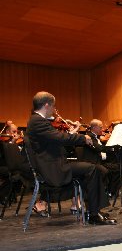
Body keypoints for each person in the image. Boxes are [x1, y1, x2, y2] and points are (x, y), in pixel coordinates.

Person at [26, 91, 116, 225]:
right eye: (53, 106)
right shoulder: (38, 121)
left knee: (90, 170)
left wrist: (72, 135)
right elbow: (59, 137)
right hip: (53, 168)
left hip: (54, 164)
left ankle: (93, 211)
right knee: (92, 169)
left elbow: (55, 140)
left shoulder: (36, 121)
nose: (54, 110)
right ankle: (94, 214)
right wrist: (82, 138)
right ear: (46, 105)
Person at [79, 119, 120, 198]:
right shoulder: (89, 136)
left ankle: (111, 191)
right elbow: (98, 148)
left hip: (99, 161)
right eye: (100, 127)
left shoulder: (95, 136)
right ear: (94, 127)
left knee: (117, 168)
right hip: (92, 162)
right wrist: (112, 148)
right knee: (105, 171)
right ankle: (103, 192)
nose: (102, 129)